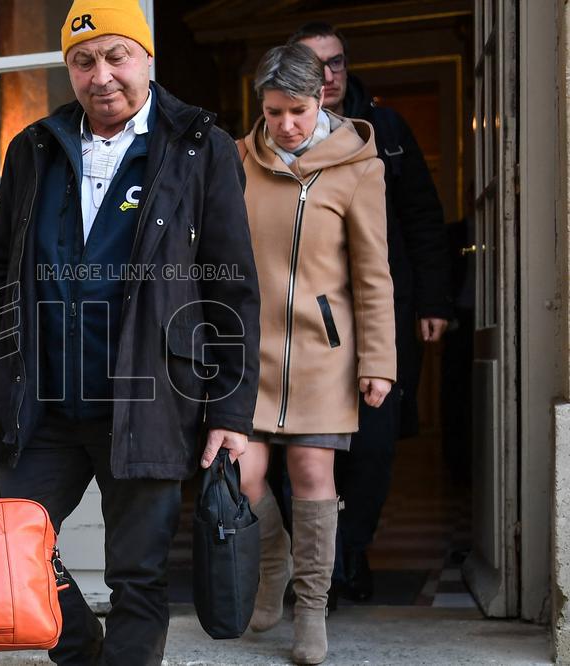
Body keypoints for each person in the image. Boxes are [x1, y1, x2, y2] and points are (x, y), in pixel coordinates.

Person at [0, 1, 260, 663]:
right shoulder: (35, 147)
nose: (100, 75)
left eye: (115, 56)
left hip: (148, 401)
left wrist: (229, 410)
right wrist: (6, 357)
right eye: (82, 61)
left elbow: (232, 288)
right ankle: (82, 653)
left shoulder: (200, 146)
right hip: (42, 404)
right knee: (10, 547)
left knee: (139, 576)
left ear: (146, 58)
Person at [236, 44, 395, 664]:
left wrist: (378, 361)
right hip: (250, 350)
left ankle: (310, 609)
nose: (285, 125)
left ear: (322, 97)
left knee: (310, 476)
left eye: (297, 111)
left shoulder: (359, 167)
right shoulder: (237, 160)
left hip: (323, 352)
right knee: (242, 474)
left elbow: (374, 273)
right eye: (273, 112)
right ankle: (273, 558)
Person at [292, 22, 453, 603]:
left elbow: (423, 218)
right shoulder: (283, 132)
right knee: (309, 447)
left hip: (385, 310)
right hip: (307, 321)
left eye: (335, 62)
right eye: (314, 66)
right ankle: (324, 567)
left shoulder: (387, 129)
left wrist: (433, 300)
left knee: (376, 445)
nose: (328, 75)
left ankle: (351, 550)